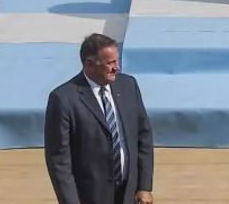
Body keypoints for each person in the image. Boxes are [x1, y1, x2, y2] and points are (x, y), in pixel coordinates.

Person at [45, 34, 154, 204]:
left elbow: (143, 137)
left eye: (117, 61)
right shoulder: (63, 99)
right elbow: (59, 161)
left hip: (129, 194)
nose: (116, 67)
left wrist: (144, 186)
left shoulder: (128, 86)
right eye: (110, 63)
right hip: (90, 196)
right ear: (89, 64)